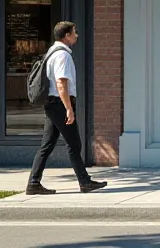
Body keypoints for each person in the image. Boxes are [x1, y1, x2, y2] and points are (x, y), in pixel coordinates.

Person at [27, 22, 107, 195]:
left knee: (47, 145)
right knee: (74, 144)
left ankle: (33, 183)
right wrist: (69, 109)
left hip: (53, 104)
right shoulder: (62, 55)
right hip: (59, 104)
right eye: (74, 32)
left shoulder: (52, 52)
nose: (76, 35)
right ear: (67, 36)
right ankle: (84, 182)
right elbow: (61, 83)